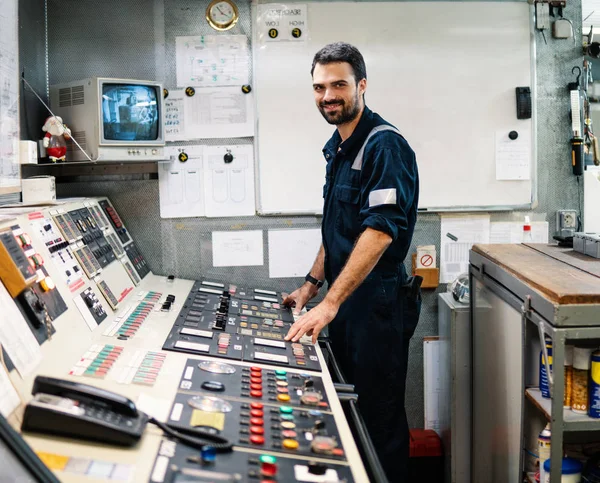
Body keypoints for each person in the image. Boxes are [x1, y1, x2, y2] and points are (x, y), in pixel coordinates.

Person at [284, 42, 421, 482]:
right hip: (346, 302)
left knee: (377, 422)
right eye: (319, 87)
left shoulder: (385, 146)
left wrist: (330, 303)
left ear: (361, 85)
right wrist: (311, 286)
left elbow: (378, 233)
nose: (328, 96)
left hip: (375, 304)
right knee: (350, 418)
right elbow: (340, 230)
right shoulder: (338, 147)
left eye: (339, 84)